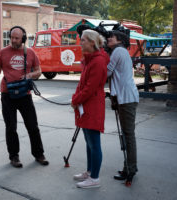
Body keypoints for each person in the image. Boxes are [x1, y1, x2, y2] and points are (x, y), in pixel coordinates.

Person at [0, 26, 49, 168]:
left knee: (33, 126)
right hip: (7, 94)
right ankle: (14, 156)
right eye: (12, 38)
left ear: (23, 39)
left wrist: (30, 75)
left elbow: (39, 71)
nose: (13, 41)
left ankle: (39, 154)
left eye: (17, 38)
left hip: (25, 95)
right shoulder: (3, 52)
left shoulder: (31, 52)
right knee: (11, 127)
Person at [71, 29, 109, 188]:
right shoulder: (90, 59)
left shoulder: (98, 61)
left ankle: (95, 178)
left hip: (92, 106)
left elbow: (90, 88)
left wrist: (75, 99)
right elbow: (83, 85)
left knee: (94, 144)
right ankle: (89, 171)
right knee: (88, 142)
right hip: (86, 106)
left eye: (84, 40)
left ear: (92, 43)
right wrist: (77, 99)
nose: (81, 42)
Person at [107, 31, 139, 183]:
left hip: (126, 99)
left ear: (119, 40)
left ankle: (130, 169)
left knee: (128, 135)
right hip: (125, 98)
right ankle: (129, 167)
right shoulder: (121, 51)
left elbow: (107, 72)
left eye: (111, 37)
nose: (108, 39)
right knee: (128, 135)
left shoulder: (118, 51)